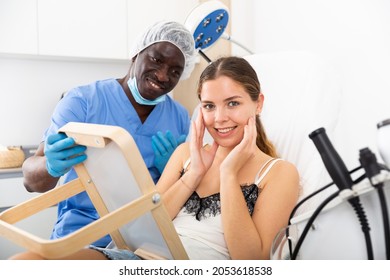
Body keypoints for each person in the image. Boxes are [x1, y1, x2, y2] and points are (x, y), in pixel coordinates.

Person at [11, 56, 300, 260]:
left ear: (258, 103)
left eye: (233, 103)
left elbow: (252, 262)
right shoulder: (187, 155)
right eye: (209, 106)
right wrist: (193, 174)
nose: (220, 118)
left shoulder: (278, 173)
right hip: (133, 260)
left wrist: (228, 173)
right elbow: (143, 226)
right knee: (25, 263)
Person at [20, 21, 197, 248]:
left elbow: (187, 198)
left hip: (146, 240)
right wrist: (51, 166)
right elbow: (31, 182)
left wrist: (173, 173)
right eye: (156, 60)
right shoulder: (82, 101)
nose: (163, 76)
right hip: (81, 234)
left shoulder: (180, 117)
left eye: (175, 71)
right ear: (136, 54)